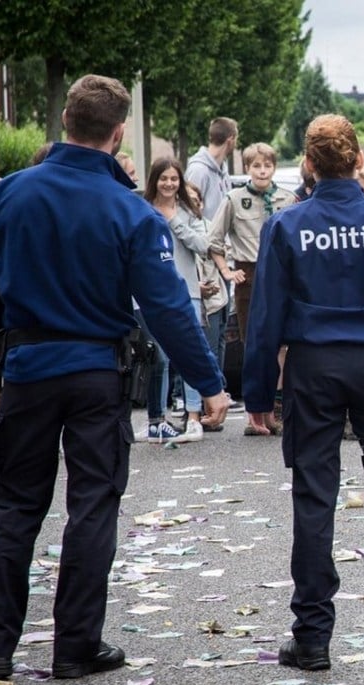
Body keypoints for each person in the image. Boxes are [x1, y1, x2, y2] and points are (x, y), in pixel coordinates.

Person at [0, 74, 228, 681]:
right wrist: (209, 383)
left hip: (29, 366)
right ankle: (75, 645)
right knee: (92, 508)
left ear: (64, 125)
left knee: (14, 506)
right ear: (116, 134)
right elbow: (166, 308)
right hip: (95, 374)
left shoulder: (7, 196)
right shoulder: (130, 211)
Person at [241, 112, 364, 672]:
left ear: (307, 164)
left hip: (313, 365)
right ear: (358, 161)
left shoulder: (285, 225)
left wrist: (259, 391)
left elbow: (265, 318)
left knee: (313, 493)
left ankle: (312, 637)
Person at [208, 141, 295, 435]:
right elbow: (213, 241)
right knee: (254, 347)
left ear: (274, 167)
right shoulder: (234, 199)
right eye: (256, 165)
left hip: (281, 274)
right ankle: (254, 414)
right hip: (249, 273)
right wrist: (227, 270)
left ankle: (275, 406)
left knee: (282, 343)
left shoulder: (287, 198)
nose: (262, 170)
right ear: (247, 168)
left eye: (267, 165)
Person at [144, 157, 215, 442]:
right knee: (158, 356)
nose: (169, 184)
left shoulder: (188, 210)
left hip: (187, 290)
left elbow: (203, 246)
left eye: (174, 178)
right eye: (164, 178)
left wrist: (174, 221)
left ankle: (195, 416)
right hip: (152, 292)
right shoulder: (144, 209)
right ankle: (157, 418)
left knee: (190, 351)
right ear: (154, 181)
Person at [185, 117, 239, 379]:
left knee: (222, 329)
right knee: (209, 329)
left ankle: (219, 385)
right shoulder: (199, 170)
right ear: (231, 139)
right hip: (206, 259)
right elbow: (191, 212)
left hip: (223, 257)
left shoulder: (221, 169)